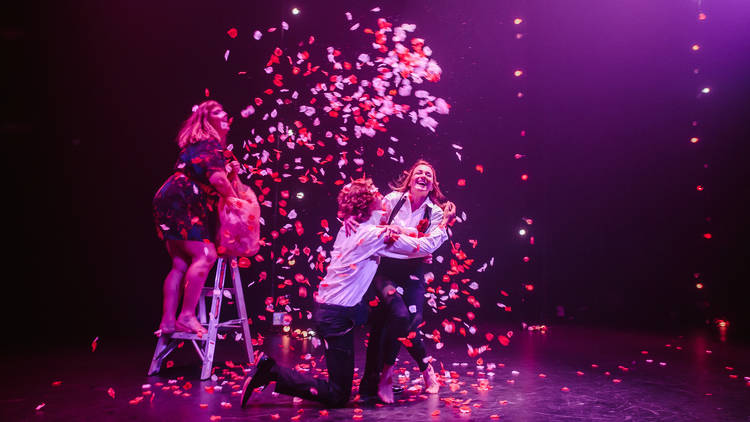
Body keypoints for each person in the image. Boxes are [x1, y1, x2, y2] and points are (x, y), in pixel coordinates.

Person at [240, 178, 456, 408]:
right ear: (367, 204)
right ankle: (270, 372)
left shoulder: (354, 227)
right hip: (335, 315)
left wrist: (396, 228)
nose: (379, 194)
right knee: (338, 395)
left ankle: (377, 379)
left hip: (339, 309)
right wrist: (443, 224)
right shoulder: (371, 235)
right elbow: (424, 247)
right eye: (374, 193)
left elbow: (402, 232)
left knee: (396, 315)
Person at [354, 160, 456, 403]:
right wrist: (414, 243)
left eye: (428, 175)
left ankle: (385, 377)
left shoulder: (437, 213)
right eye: (418, 173)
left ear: (433, 184)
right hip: (384, 269)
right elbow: (375, 234)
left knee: (410, 320)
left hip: (412, 271)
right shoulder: (391, 200)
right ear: (410, 179)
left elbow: (430, 245)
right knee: (385, 321)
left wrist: (398, 238)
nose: (423, 176)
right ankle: (385, 378)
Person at [152, 100, 249, 336]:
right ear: (207, 120)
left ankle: (167, 321)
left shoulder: (200, 146)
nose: (225, 113)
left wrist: (230, 173)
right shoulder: (210, 143)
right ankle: (186, 316)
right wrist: (234, 199)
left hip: (170, 197)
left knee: (180, 263)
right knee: (206, 254)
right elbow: (216, 180)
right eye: (217, 111)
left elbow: (215, 176)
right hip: (182, 199)